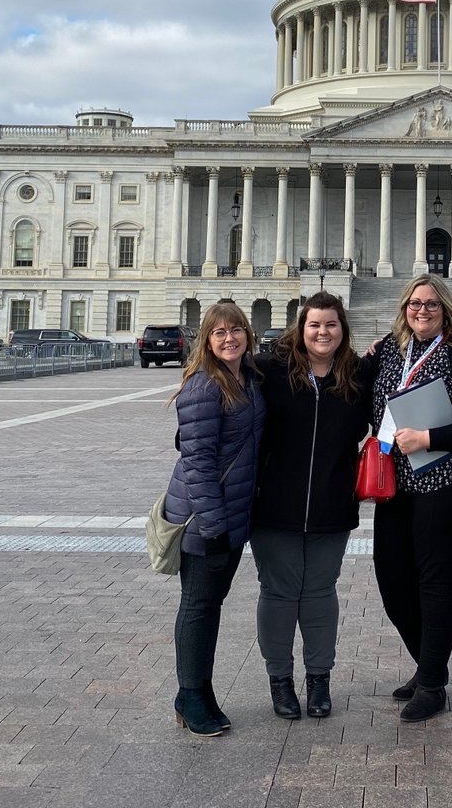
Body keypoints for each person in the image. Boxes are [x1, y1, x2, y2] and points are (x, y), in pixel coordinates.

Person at [365, 273, 452, 722]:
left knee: (435, 582)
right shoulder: (388, 349)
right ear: (405, 308)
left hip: (446, 483)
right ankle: (429, 663)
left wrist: (429, 437)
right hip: (395, 482)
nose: (422, 310)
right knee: (391, 578)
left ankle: (432, 681)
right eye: (415, 304)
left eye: (432, 304)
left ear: (446, 309)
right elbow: (349, 385)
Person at [251, 292, 371, 721]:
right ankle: (280, 680)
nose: (323, 332)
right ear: (301, 329)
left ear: (343, 330)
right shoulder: (269, 371)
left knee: (320, 594)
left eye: (331, 325)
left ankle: (319, 678)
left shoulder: (358, 377)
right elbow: (220, 387)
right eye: (315, 325)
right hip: (273, 507)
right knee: (279, 594)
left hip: (331, 506)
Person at [163, 301, 266, 736]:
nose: (229, 338)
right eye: (219, 332)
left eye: (236, 330)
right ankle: (189, 695)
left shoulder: (248, 378)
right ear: (206, 339)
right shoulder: (205, 386)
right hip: (206, 518)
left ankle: (200, 693)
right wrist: (213, 526)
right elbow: (197, 463)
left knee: (209, 606)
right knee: (199, 606)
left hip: (230, 512)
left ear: (248, 334)